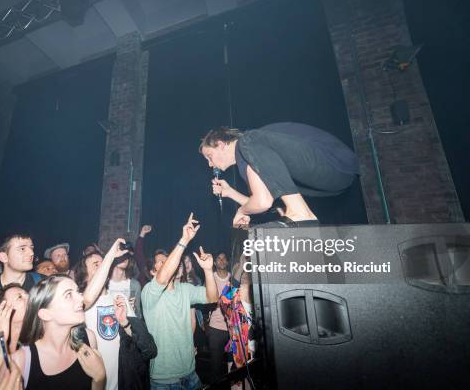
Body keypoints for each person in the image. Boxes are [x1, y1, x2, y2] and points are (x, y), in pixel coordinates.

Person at [200, 123, 359, 227]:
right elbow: (263, 200)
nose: (209, 164)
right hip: (337, 178)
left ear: (221, 145)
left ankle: (299, 211)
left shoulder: (247, 144)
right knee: (273, 200)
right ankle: (298, 210)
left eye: (209, 156)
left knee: (248, 141)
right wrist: (230, 193)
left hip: (332, 161)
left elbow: (262, 202)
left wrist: (241, 211)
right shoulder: (252, 159)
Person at [142, 213, 219, 389]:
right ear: (153, 272)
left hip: (190, 373)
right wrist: (184, 239)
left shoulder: (185, 289)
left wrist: (208, 270)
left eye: (168, 260)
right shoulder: (149, 292)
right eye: (161, 262)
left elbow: (212, 298)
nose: (168, 264)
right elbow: (163, 278)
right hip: (163, 379)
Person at [13, 275, 106, 390]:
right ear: (45, 314)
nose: (81, 298)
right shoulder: (21, 361)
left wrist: (99, 379)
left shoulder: (88, 339)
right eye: (68, 295)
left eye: (77, 292)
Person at [74, 239, 129, 390]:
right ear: (84, 276)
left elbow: (134, 338)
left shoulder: (120, 299)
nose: (103, 266)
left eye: (103, 262)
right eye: (96, 265)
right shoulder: (77, 301)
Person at [206, 253, 231, 384]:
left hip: (233, 329)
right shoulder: (210, 278)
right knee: (215, 368)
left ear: (227, 262)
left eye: (224, 258)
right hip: (215, 329)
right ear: (214, 263)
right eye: (218, 258)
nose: (221, 260)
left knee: (233, 367)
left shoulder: (233, 279)